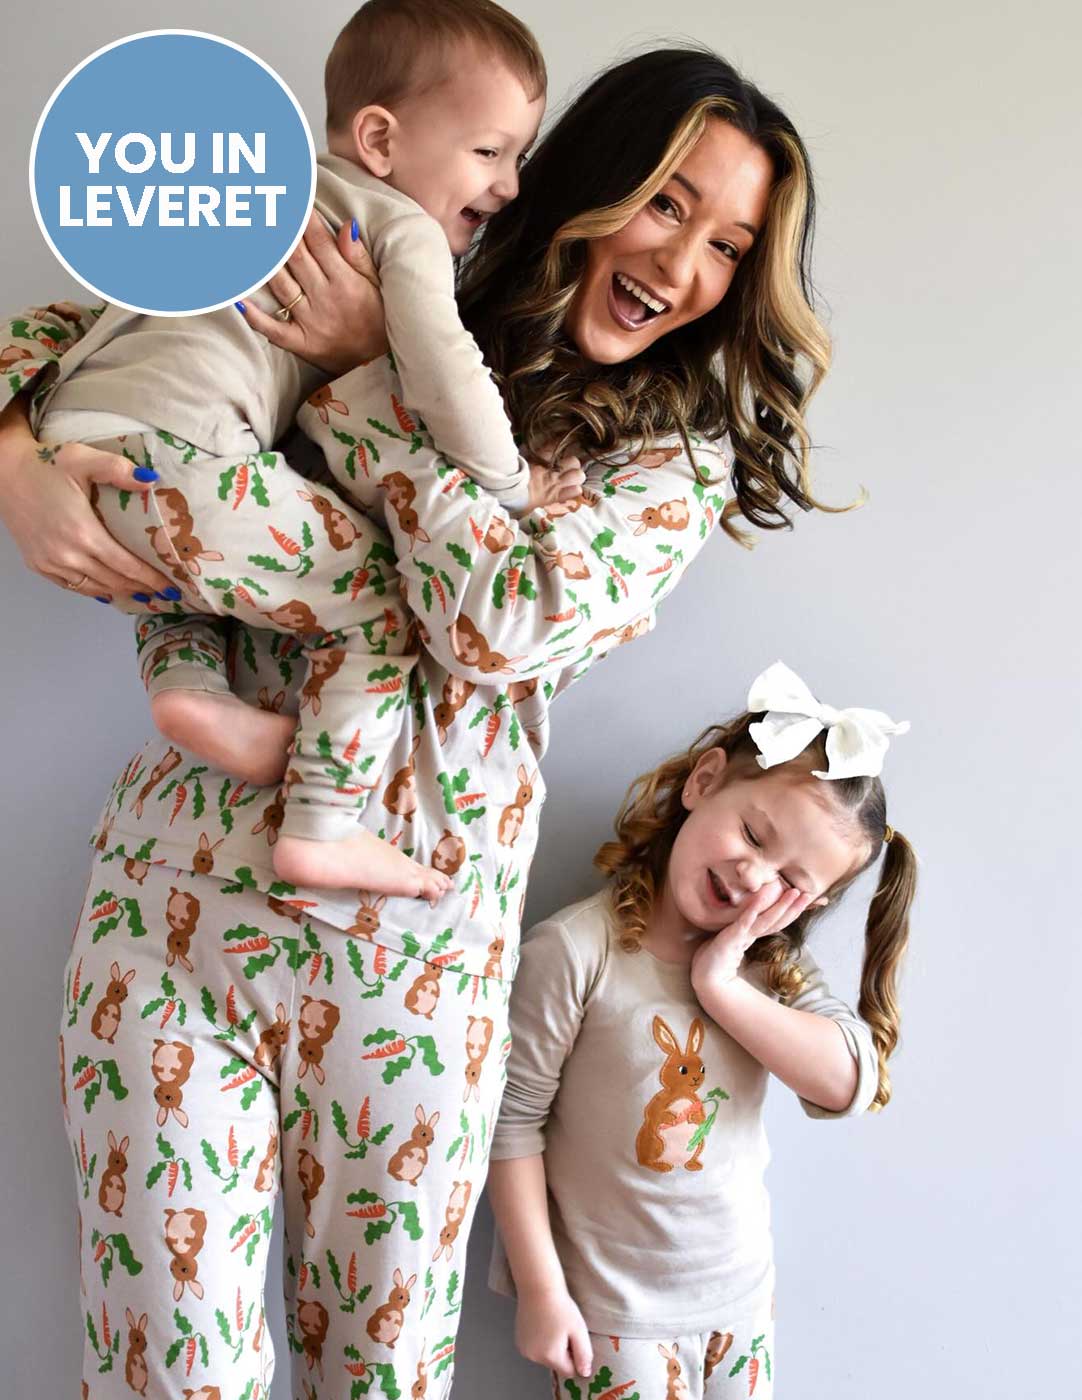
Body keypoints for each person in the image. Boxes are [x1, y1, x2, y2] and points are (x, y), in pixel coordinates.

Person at [0, 45, 833, 1400]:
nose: (682, 264)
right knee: (163, 1372)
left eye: (729, 246)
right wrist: (16, 452)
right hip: (177, 913)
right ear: (590, 181)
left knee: (375, 1372)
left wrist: (364, 375)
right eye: (666, 203)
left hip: (413, 960)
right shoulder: (389, 247)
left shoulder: (666, 461)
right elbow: (82, 331)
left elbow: (492, 620)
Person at [26, 0, 568, 904]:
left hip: (78, 447)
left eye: (520, 157)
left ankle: (189, 684)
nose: (509, 185)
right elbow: (447, 375)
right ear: (380, 140)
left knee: (190, 568)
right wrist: (513, 486)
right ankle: (322, 826)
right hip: (188, 456)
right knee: (381, 600)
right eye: (489, 152)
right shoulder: (398, 226)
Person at [486, 661, 917, 1399]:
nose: (754, 876)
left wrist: (721, 986)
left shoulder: (771, 974)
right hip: (612, 1315)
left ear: (808, 906)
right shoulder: (576, 952)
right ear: (704, 781)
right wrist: (541, 1290)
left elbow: (850, 1082)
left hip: (741, 1304)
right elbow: (511, 1127)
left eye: (790, 883)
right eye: (753, 834)